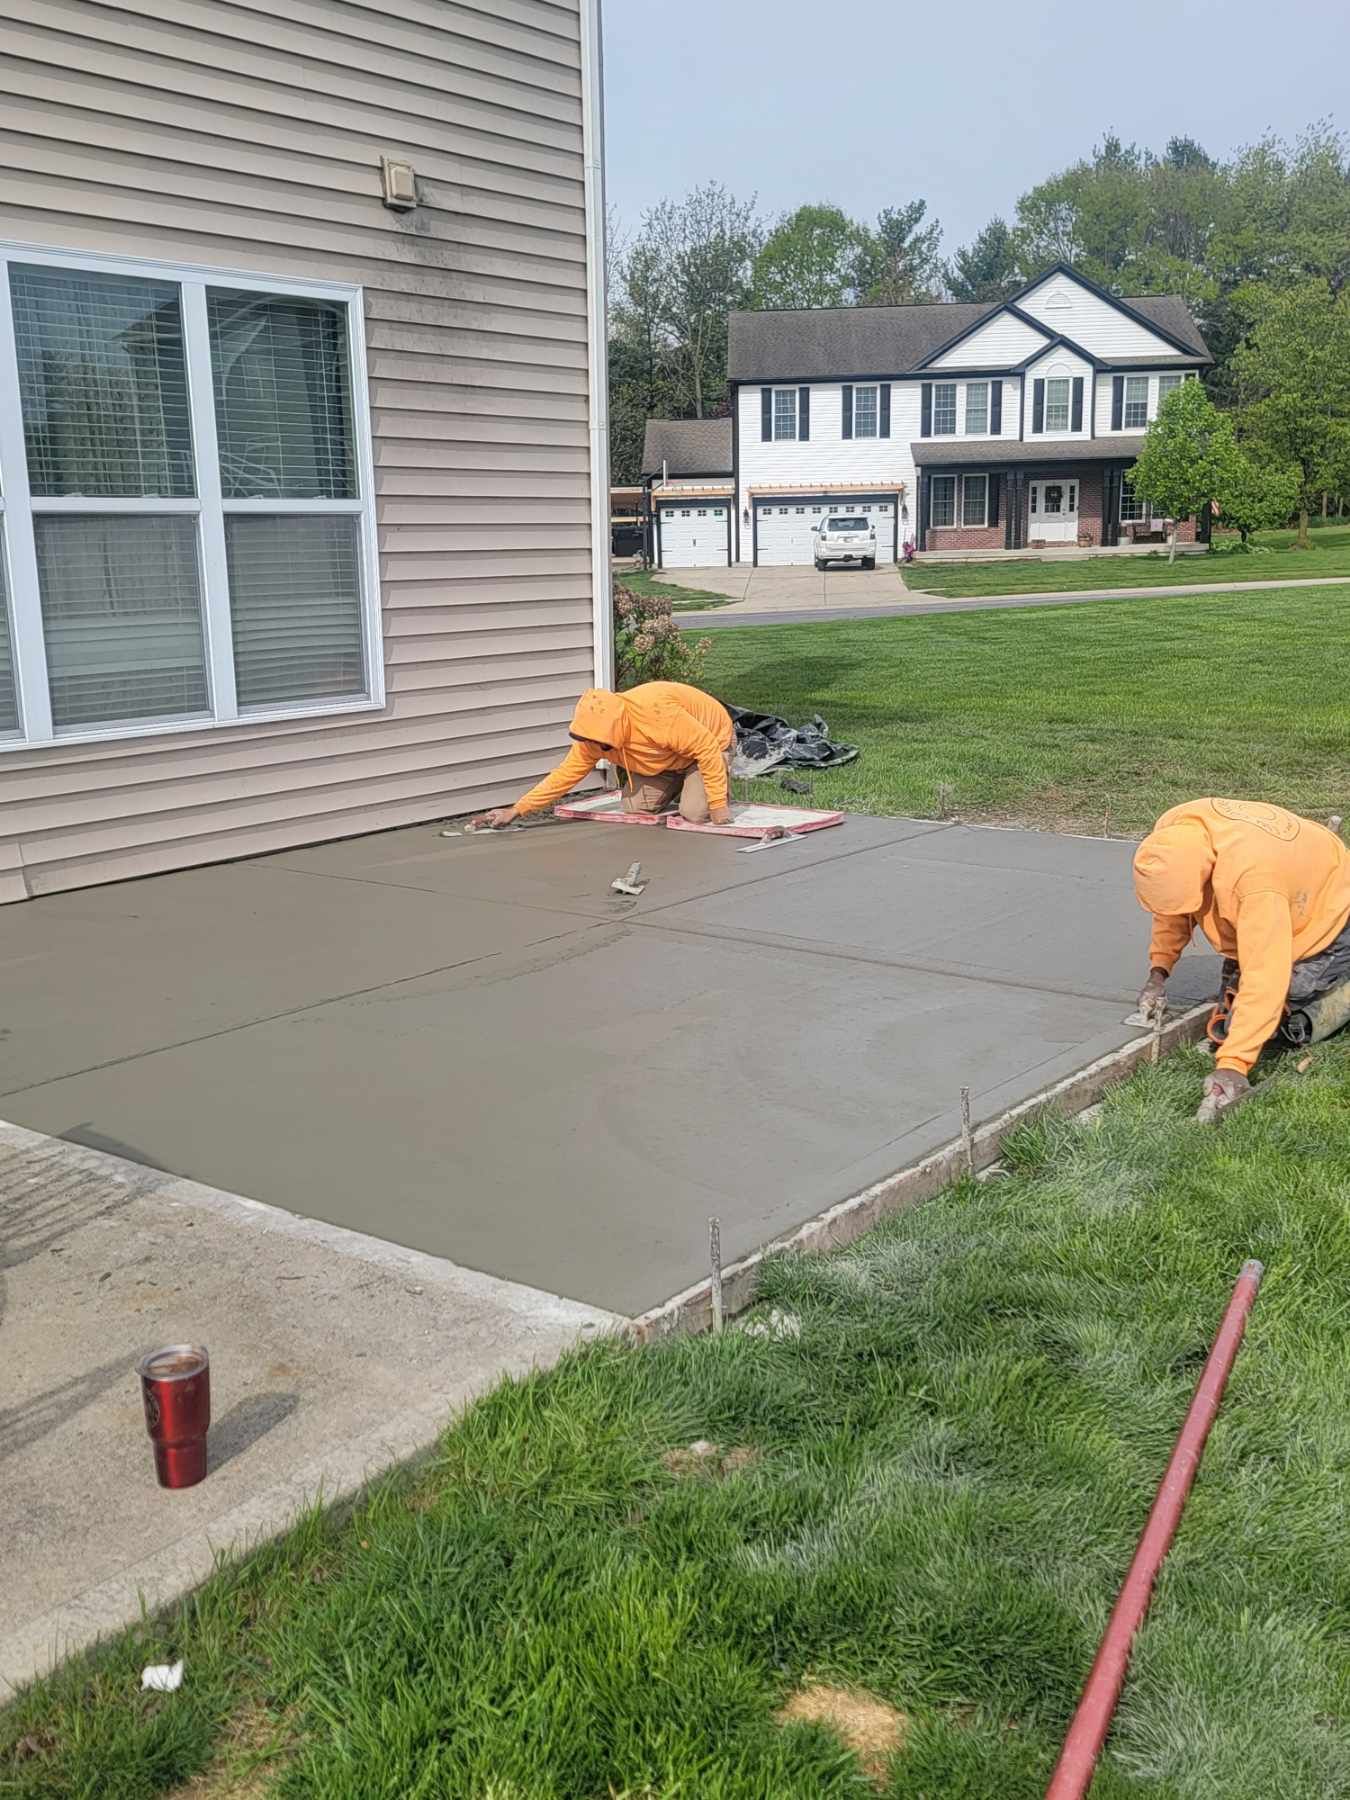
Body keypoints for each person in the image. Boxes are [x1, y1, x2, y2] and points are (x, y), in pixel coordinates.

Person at [1133, 798, 1350, 1118]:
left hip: (1329, 902)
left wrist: (1234, 1065)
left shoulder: (1255, 882)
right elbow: (1174, 909)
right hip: (1285, 880)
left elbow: (1266, 977)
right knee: (1234, 1024)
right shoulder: (1173, 836)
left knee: (1288, 1009)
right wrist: (1158, 971)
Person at [479, 682, 736, 828]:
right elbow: (564, 776)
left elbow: (707, 750)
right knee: (635, 808)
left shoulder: (657, 715)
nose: (594, 747)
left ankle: (705, 787)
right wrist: (518, 809)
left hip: (711, 744)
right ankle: (684, 782)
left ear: (616, 730)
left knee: (694, 814)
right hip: (664, 759)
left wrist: (717, 807)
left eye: (601, 743)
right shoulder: (592, 736)